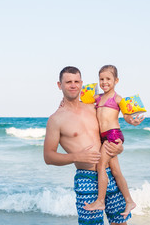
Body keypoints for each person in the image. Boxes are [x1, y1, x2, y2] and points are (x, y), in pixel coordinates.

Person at [44, 66, 131, 225]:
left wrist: (120, 148)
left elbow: (110, 130)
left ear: (82, 84)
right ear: (59, 85)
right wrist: (76, 156)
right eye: (68, 82)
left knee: (120, 222)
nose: (73, 85)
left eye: (76, 81)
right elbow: (48, 157)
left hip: (110, 172)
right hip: (87, 177)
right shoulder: (56, 119)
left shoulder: (93, 107)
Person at [83, 65, 144, 219]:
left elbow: (127, 116)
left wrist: (133, 121)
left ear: (116, 80)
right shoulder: (97, 98)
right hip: (103, 137)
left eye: (108, 79)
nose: (104, 82)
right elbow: (82, 104)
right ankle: (129, 201)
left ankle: (100, 201)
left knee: (101, 166)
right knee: (116, 171)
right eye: (101, 79)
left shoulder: (118, 99)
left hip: (113, 135)